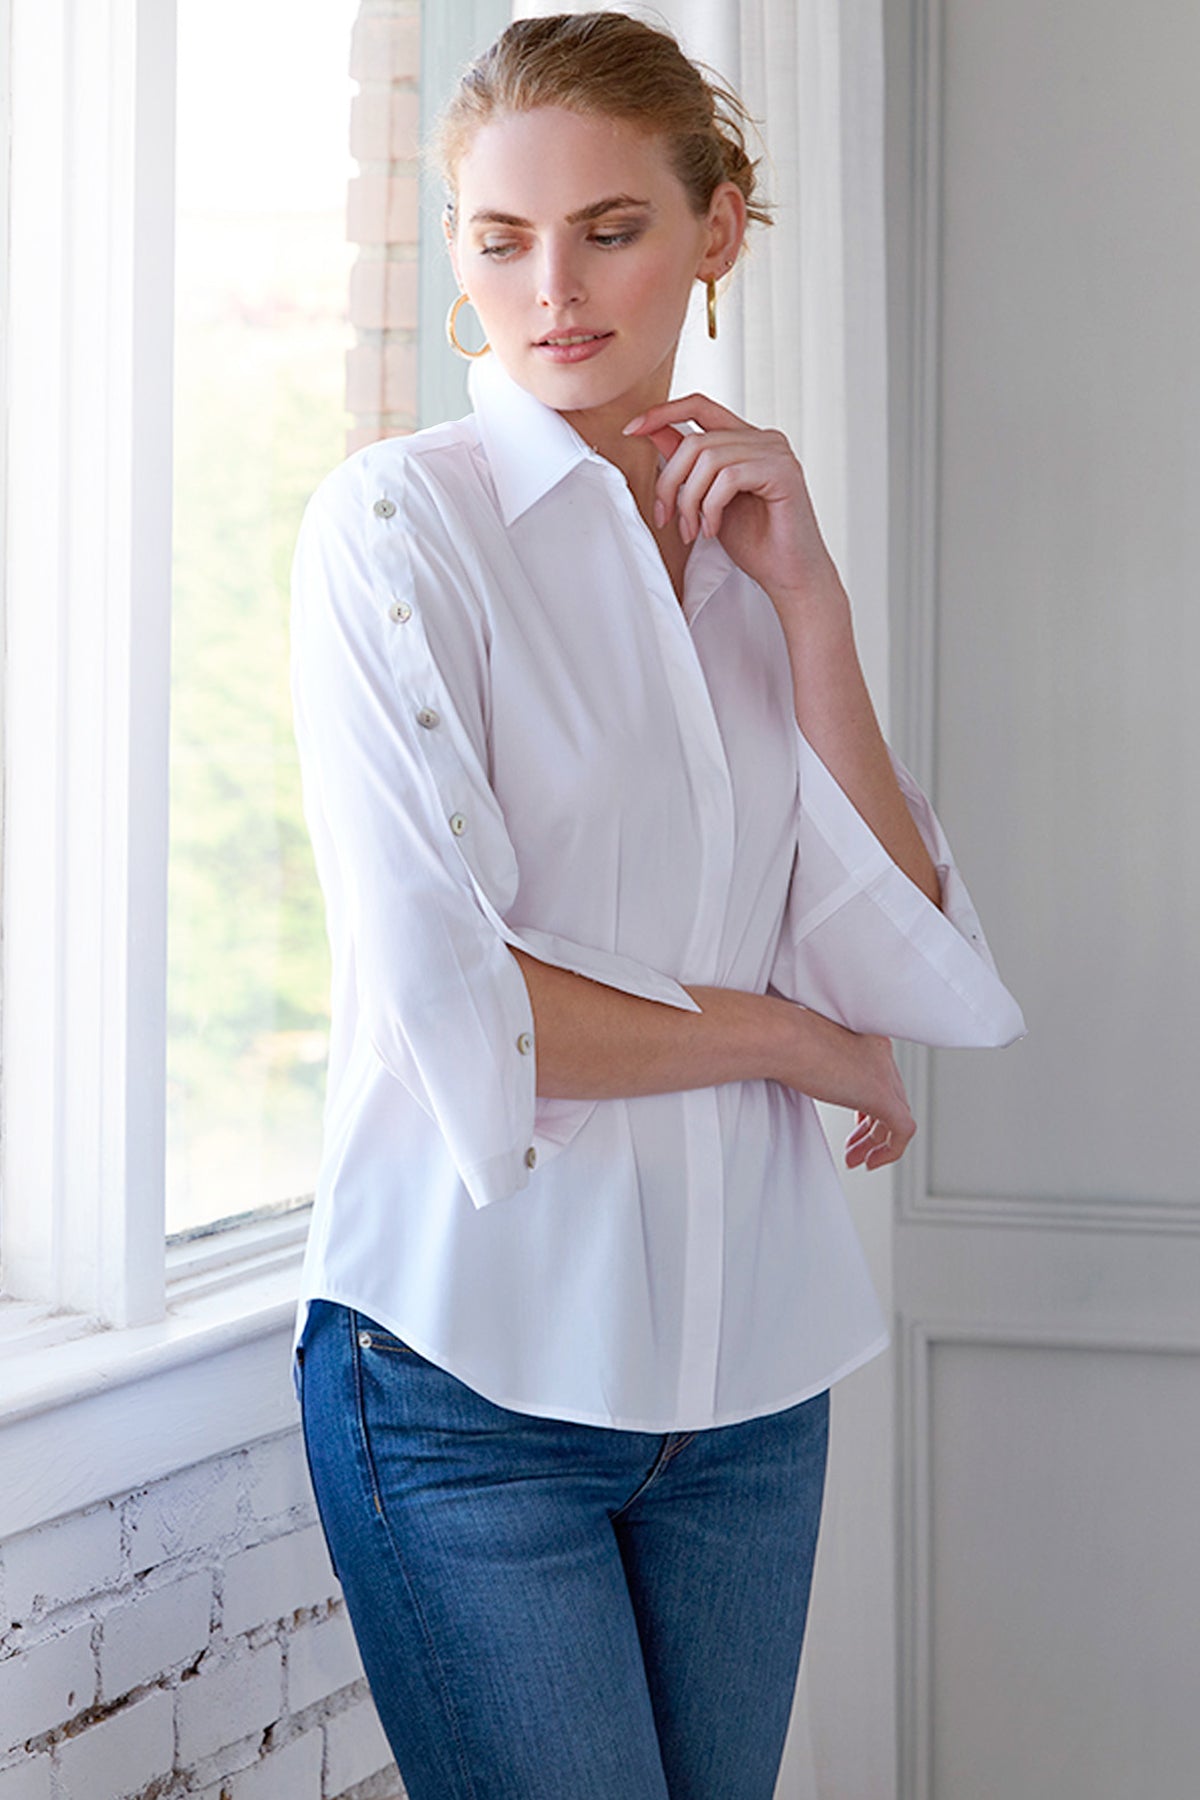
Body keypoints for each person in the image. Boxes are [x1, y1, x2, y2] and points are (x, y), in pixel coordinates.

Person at [289, 13, 1024, 1798]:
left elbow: (905, 957)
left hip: (750, 1388)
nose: (553, 289)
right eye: (499, 237)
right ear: (457, 249)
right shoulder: (399, 532)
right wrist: (787, 1037)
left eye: (610, 228)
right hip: (468, 1386)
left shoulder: (747, 545)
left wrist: (815, 605)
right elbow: (468, 1009)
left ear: (719, 229)